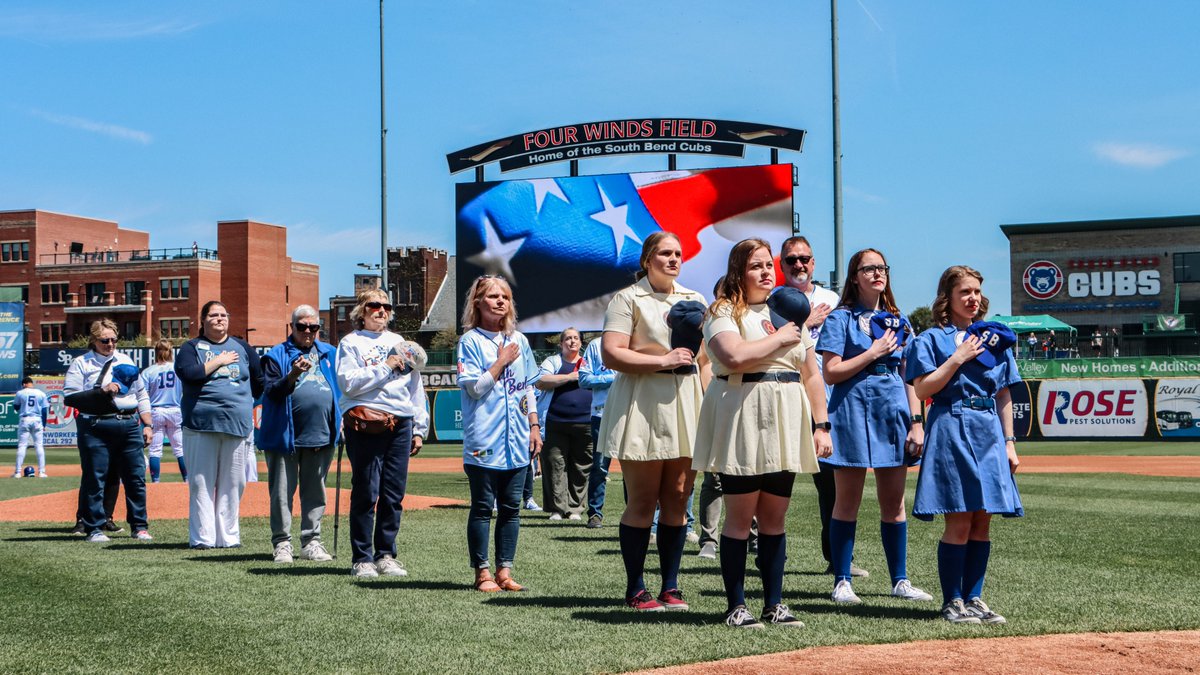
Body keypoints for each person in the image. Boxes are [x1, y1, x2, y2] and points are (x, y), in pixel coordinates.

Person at [692, 239, 832, 628]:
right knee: (740, 518)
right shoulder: (723, 310)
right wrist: (782, 338)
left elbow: (811, 375)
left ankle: (774, 603)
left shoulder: (786, 315)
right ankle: (736, 606)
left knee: (775, 518)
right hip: (743, 413)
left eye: (768, 265)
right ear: (739, 271)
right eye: (756, 266)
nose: (767, 272)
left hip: (785, 416)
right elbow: (733, 356)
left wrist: (821, 425)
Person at [906, 265, 1023, 625]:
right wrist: (956, 358)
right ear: (948, 298)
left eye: (976, 292)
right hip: (951, 423)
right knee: (959, 518)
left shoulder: (994, 338)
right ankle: (952, 601)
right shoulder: (930, 340)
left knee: (983, 519)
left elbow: (1004, 394)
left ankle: (975, 598)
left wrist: (1009, 442)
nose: (973, 299)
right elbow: (923, 389)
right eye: (965, 293)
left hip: (988, 428)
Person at [816, 248, 933, 605]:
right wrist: (872, 352)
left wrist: (917, 422)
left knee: (893, 503)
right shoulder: (840, 319)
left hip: (892, 409)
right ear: (855, 276)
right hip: (849, 408)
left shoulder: (900, 322)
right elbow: (831, 372)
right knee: (845, 502)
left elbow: (910, 377)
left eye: (882, 267)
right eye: (869, 268)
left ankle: (900, 579)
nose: (877, 273)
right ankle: (842, 579)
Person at [598, 231, 707, 612]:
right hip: (642, 402)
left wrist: (709, 406)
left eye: (678, 253)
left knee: (678, 497)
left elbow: (705, 360)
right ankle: (636, 588)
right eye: (665, 253)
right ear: (648, 259)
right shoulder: (627, 299)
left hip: (685, 401)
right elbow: (611, 353)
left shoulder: (695, 299)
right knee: (643, 499)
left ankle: (671, 587)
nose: (674, 259)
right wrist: (663, 360)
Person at [777, 235, 868, 578]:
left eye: (805, 259)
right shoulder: (773, 300)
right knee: (775, 480)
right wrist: (806, 324)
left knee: (831, 486)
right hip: (781, 398)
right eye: (791, 260)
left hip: (826, 406)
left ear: (814, 263)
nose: (799, 265)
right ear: (782, 265)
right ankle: (767, 554)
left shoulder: (833, 300)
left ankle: (837, 559)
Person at [458, 275, 542, 591]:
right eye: (493, 296)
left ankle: (505, 571)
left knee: (511, 508)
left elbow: (528, 388)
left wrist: (535, 426)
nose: (500, 301)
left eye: (505, 296)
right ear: (478, 302)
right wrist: (500, 363)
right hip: (484, 437)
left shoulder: (519, 340)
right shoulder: (469, 342)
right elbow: (476, 389)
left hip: (518, 437)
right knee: (482, 508)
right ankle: (482, 572)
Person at [336, 289, 428, 578]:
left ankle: (385, 554)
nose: (381, 311)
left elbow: (415, 386)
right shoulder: (351, 342)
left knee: (393, 492)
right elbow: (349, 383)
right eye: (374, 305)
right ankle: (362, 558)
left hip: (401, 421)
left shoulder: (399, 341)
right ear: (361, 311)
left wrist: (419, 427)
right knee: (366, 489)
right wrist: (385, 367)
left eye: (386, 306)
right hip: (367, 419)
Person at [176, 301, 264, 549]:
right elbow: (189, 374)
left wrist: (243, 402)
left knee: (234, 483)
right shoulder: (191, 347)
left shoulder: (243, 347)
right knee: (201, 482)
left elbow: (259, 382)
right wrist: (219, 361)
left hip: (237, 424)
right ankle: (203, 538)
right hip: (201, 424)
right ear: (203, 320)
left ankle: (228, 537)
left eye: (223, 315)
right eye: (213, 315)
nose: (219, 319)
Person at [258, 305, 341, 564]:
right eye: (302, 327)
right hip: (285, 436)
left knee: (315, 491)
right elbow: (270, 392)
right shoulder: (276, 355)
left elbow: (343, 388)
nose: (308, 331)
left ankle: (311, 541)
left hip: (321, 434)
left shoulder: (330, 353)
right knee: (282, 492)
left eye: (313, 327)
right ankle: (282, 542)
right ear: (291, 328)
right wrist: (293, 373)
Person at [63, 319, 154, 543]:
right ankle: (93, 527)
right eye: (105, 340)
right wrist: (101, 392)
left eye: (114, 339)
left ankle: (139, 526)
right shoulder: (81, 363)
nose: (111, 344)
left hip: (129, 424)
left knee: (135, 478)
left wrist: (148, 424)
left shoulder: (125, 359)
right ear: (94, 340)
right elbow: (70, 397)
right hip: (96, 425)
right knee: (95, 477)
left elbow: (141, 394)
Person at [536, 327, 593, 520]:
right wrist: (570, 377)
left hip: (585, 423)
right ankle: (557, 509)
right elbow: (541, 380)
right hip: (555, 422)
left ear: (581, 342)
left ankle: (575, 509)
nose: (572, 341)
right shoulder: (553, 361)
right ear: (561, 344)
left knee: (581, 466)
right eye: (568, 338)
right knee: (554, 465)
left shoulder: (588, 362)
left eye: (576, 338)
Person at [579, 335, 614, 529]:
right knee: (600, 466)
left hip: (631, 412)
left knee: (633, 467)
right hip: (601, 413)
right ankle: (594, 513)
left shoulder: (636, 339)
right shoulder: (596, 345)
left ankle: (635, 514)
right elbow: (583, 379)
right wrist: (614, 378)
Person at [140, 340, 187, 483]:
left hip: (156, 411)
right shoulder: (178, 369)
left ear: (156, 352)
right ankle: (187, 479)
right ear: (171, 351)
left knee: (155, 450)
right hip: (175, 410)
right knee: (180, 449)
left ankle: (156, 481)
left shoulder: (148, 371)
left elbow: (143, 396)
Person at [13, 377, 49, 478]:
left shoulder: (20, 393)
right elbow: (44, 411)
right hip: (37, 419)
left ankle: (18, 472)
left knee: (22, 446)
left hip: (25, 419)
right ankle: (42, 472)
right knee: (39, 446)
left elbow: (16, 406)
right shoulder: (41, 393)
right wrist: (44, 424)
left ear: (24, 384)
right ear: (31, 383)